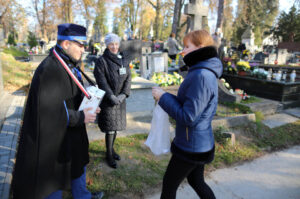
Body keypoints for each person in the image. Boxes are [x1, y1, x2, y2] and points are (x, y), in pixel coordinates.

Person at [12, 23, 104, 199]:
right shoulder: (49, 70)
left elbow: (71, 95)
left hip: (71, 133)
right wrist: (81, 116)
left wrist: (89, 105)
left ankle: (83, 196)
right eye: (80, 45)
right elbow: (48, 113)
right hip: (52, 142)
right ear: (66, 44)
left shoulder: (68, 64)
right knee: (52, 181)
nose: (83, 49)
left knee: (77, 163)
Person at [152, 29, 222, 199]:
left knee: (169, 185)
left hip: (191, 146)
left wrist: (163, 97)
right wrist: (166, 97)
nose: (182, 50)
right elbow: (190, 106)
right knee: (196, 181)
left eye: (186, 46)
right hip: (197, 142)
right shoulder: (201, 70)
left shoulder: (201, 75)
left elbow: (188, 117)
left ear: (200, 47)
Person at [93, 33, 131, 169]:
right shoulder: (101, 61)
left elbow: (128, 77)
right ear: (107, 45)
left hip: (120, 100)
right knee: (110, 128)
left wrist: (124, 94)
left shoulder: (123, 59)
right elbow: (101, 81)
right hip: (109, 100)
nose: (114, 47)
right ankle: (108, 154)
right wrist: (111, 96)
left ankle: (112, 150)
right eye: (111, 44)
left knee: (115, 128)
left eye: (116, 44)